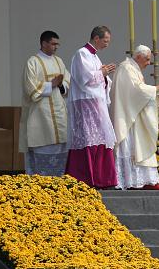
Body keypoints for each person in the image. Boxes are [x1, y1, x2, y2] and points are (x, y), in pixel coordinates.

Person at [65, 26, 118, 189]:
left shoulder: (94, 57)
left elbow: (100, 80)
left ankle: (102, 178)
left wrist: (105, 77)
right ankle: (86, 177)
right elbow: (83, 79)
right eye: (106, 40)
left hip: (95, 104)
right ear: (96, 38)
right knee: (88, 138)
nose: (107, 44)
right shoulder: (82, 54)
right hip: (86, 104)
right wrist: (102, 73)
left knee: (101, 137)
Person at [110, 45, 159, 190]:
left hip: (134, 115)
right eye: (147, 59)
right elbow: (136, 90)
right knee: (132, 148)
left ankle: (145, 181)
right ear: (138, 57)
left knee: (139, 146)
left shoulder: (132, 68)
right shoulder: (126, 68)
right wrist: (156, 88)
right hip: (128, 118)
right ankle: (131, 182)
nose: (149, 63)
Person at [19, 30, 71, 176]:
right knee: (42, 151)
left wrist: (60, 85)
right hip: (40, 115)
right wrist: (51, 84)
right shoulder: (32, 62)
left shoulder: (58, 61)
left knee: (61, 151)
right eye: (53, 44)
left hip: (59, 113)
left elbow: (67, 81)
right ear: (44, 43)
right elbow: (30, 88)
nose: (56, 47)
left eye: (57, 44)